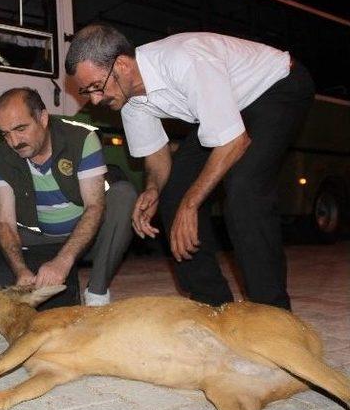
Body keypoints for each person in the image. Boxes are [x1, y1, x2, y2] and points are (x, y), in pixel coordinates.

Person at [66, 24, 315, 310]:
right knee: (173, 192)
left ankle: (272, 313)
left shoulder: (186, 61)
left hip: (277, 86)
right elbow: (158, 157)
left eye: (96, 87)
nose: (95, 99)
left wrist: (191, 204)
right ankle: (211, 303)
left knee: (245, 189)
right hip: (231, 103)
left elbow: (234, 142)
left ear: (121, 65)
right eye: (87, 92)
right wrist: (152, 189)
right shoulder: (129, 100)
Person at [0, 87, 137, 306]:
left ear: (42, 118)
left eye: (20, 128)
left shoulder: (81, 139)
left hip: (90, 238)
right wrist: (20, 270)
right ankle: (30, 288)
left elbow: (95, 207)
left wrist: (62, 261)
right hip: (45, 239)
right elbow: (5, 222)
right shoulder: (1, 158)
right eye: (5, 133)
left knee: (124, 195)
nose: (14, 141)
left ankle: (97, 293)